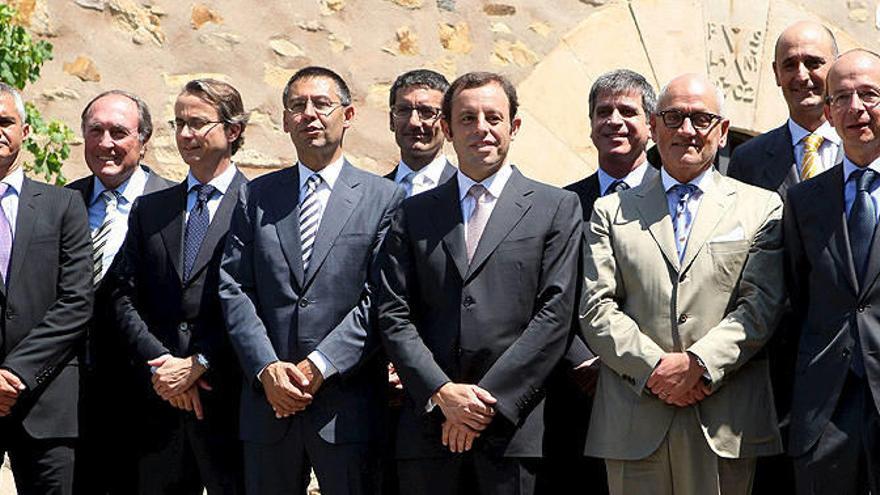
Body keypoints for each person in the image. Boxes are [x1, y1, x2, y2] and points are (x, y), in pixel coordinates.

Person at [378, 71, 582, 495]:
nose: (482, 128)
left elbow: (555, 314)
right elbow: (394, 313)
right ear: (448, 129)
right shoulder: (413, 213)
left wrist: (486, 402)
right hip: (429, 430)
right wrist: (442, 393)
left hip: (512, 432)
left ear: (514, 126)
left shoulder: (556, 208)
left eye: (494, 117)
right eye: (467, 119)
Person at [581, 73, 785, 494]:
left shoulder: (761, 207)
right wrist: (654, 368)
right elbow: (596, 307)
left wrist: (698, 364)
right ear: (654, 128)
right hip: (634, 418)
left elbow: (761, 304)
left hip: (724, 419)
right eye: (673, 118)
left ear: (723, 132)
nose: (687, 130)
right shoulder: (610, 211)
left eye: (701, 119)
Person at [219, 66, 404, 495]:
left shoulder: (384, 198)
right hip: (269, 404)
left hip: (347, 407)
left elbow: (380, 295)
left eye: (322, 104)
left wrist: (321, 364)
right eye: (297, 106)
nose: (310, 114)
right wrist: (266, 367)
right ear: (285, 121)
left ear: (348, 115)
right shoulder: (256, 196)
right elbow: (234, 286)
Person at [111, 78, 248, 494]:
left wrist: (200, 363)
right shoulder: (152, 208)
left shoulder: (258, 205)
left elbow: (257, 301)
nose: (186, 134)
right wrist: (164, 364)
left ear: (233, 130)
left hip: (231, 404)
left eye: (198, 123)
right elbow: (122, 294)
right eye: (179, 123)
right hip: (159, 406)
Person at [726, 22, 841, 493]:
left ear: (835, 69)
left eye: (814, 62)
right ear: (774, 74)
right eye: (789, 64)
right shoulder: (748, 160)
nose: (802, 74)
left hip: (849, 366)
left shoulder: (866, 153)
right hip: (771, 371)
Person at [541, 68, 659, 495]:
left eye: (627, 111)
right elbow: (548, 293)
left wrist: (642, 362)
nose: (614, 121)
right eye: (603, 112)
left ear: (651, 124)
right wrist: (584, 360)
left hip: (658, 390)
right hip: (581, 395)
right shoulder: (561, 205)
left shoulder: (673, 198)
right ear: (590, 125)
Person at [68, 90, 174, 494]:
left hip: (151, 401)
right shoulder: (64, 202)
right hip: (74, 398)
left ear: (143, 141)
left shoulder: (173, 205)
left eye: (119, 132)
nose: (106, 143)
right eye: (96, 131)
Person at [785, 48, 880, 494]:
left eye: (869, 94)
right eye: (841, 97)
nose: (855, 108)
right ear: (828, 113)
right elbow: (795, 301)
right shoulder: (804, 200)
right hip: (824, 416)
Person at [0, 82, 93, 494]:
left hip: (47, 399)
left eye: (5, 121)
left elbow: (76, 301)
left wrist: (14, 372)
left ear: (24, 130)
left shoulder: (63, 205)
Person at [385, 69, 456, 195]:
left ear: (447, 123)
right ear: (391, 120)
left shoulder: (464, 191)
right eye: (403, 110)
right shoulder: (374, 194)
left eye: (427, 112)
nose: (414, 122)